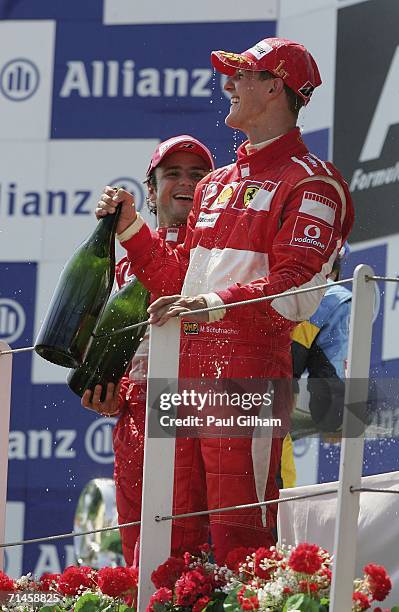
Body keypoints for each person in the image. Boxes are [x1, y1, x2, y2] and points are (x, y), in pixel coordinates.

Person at [95, 37, 355, 563]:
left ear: (275, 87)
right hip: (183, 371)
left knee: (241, 534)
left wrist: (214, 303)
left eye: (242, 75)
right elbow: (179, 284)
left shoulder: (313, 183)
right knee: (171, 544)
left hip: (246, 370)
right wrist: (134, 232)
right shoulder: (216, 184)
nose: (229, 85)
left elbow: (297, 288)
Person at [82, 135, 215, 566]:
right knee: (139, 553)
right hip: (134, 421)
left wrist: (132, 231)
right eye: (172, 173)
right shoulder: (122, 266)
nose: (186, 182)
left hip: (196, 413)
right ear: (152, 191)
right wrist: (106, 390)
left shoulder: (217, 256)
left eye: (198, 174)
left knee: (187, 557)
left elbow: (173, 284)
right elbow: (103, 350)